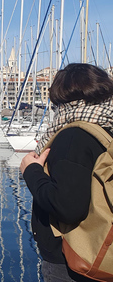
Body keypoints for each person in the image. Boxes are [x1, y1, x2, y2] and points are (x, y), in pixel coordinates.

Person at [20, 63, 113, 282]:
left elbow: (67, 207)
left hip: (73, 258)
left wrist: (31, 171)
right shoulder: (106, 130)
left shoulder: (72, 137)